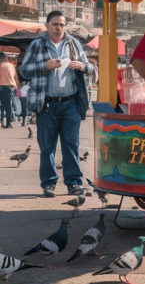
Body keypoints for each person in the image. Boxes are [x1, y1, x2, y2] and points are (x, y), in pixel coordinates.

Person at [19, 10, 95, 197]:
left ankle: (74, 183)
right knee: (47, 146)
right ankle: (49, 183)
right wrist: (45, 66)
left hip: (71, 103)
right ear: (47, 25)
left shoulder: (74, 44)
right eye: (55, 24)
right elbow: (24, 71)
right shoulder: (37, 45)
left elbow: (93, 69)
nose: (58, 28)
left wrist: (82, 66)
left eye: (61, 24)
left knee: (71, 145)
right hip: (46, 104)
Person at [0, 52, 19, 128]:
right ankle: (8, 123)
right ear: (6, 58)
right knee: (9, 106)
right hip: (10, 87)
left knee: (2, 106)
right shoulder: (11, 66)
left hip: (1, 87)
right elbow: (16, 78)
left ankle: (1, 120)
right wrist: (17, 88)